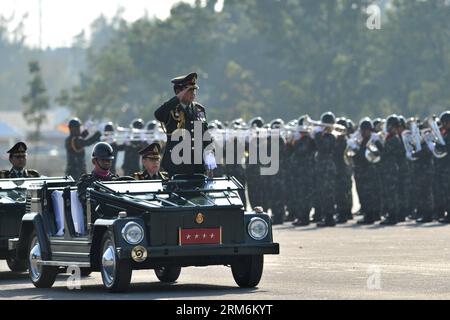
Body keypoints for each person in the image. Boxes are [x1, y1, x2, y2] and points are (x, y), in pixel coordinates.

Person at [154, 72, 213, 177]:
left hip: (197, 167)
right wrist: (178, 98)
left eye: (194, 90)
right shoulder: (171, 109)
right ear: (178, 91)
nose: (193, 93)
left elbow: (206, 136)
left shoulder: (199, 109)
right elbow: (158, 114)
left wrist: (210, 159)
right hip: (177, 166)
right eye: (189, 90)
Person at [77, 142, 119, 210]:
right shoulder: (86, 182)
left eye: (109, 160)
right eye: (103, 160)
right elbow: (86, 200)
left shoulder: (116, 180)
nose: (107, 162)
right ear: (94, 161)